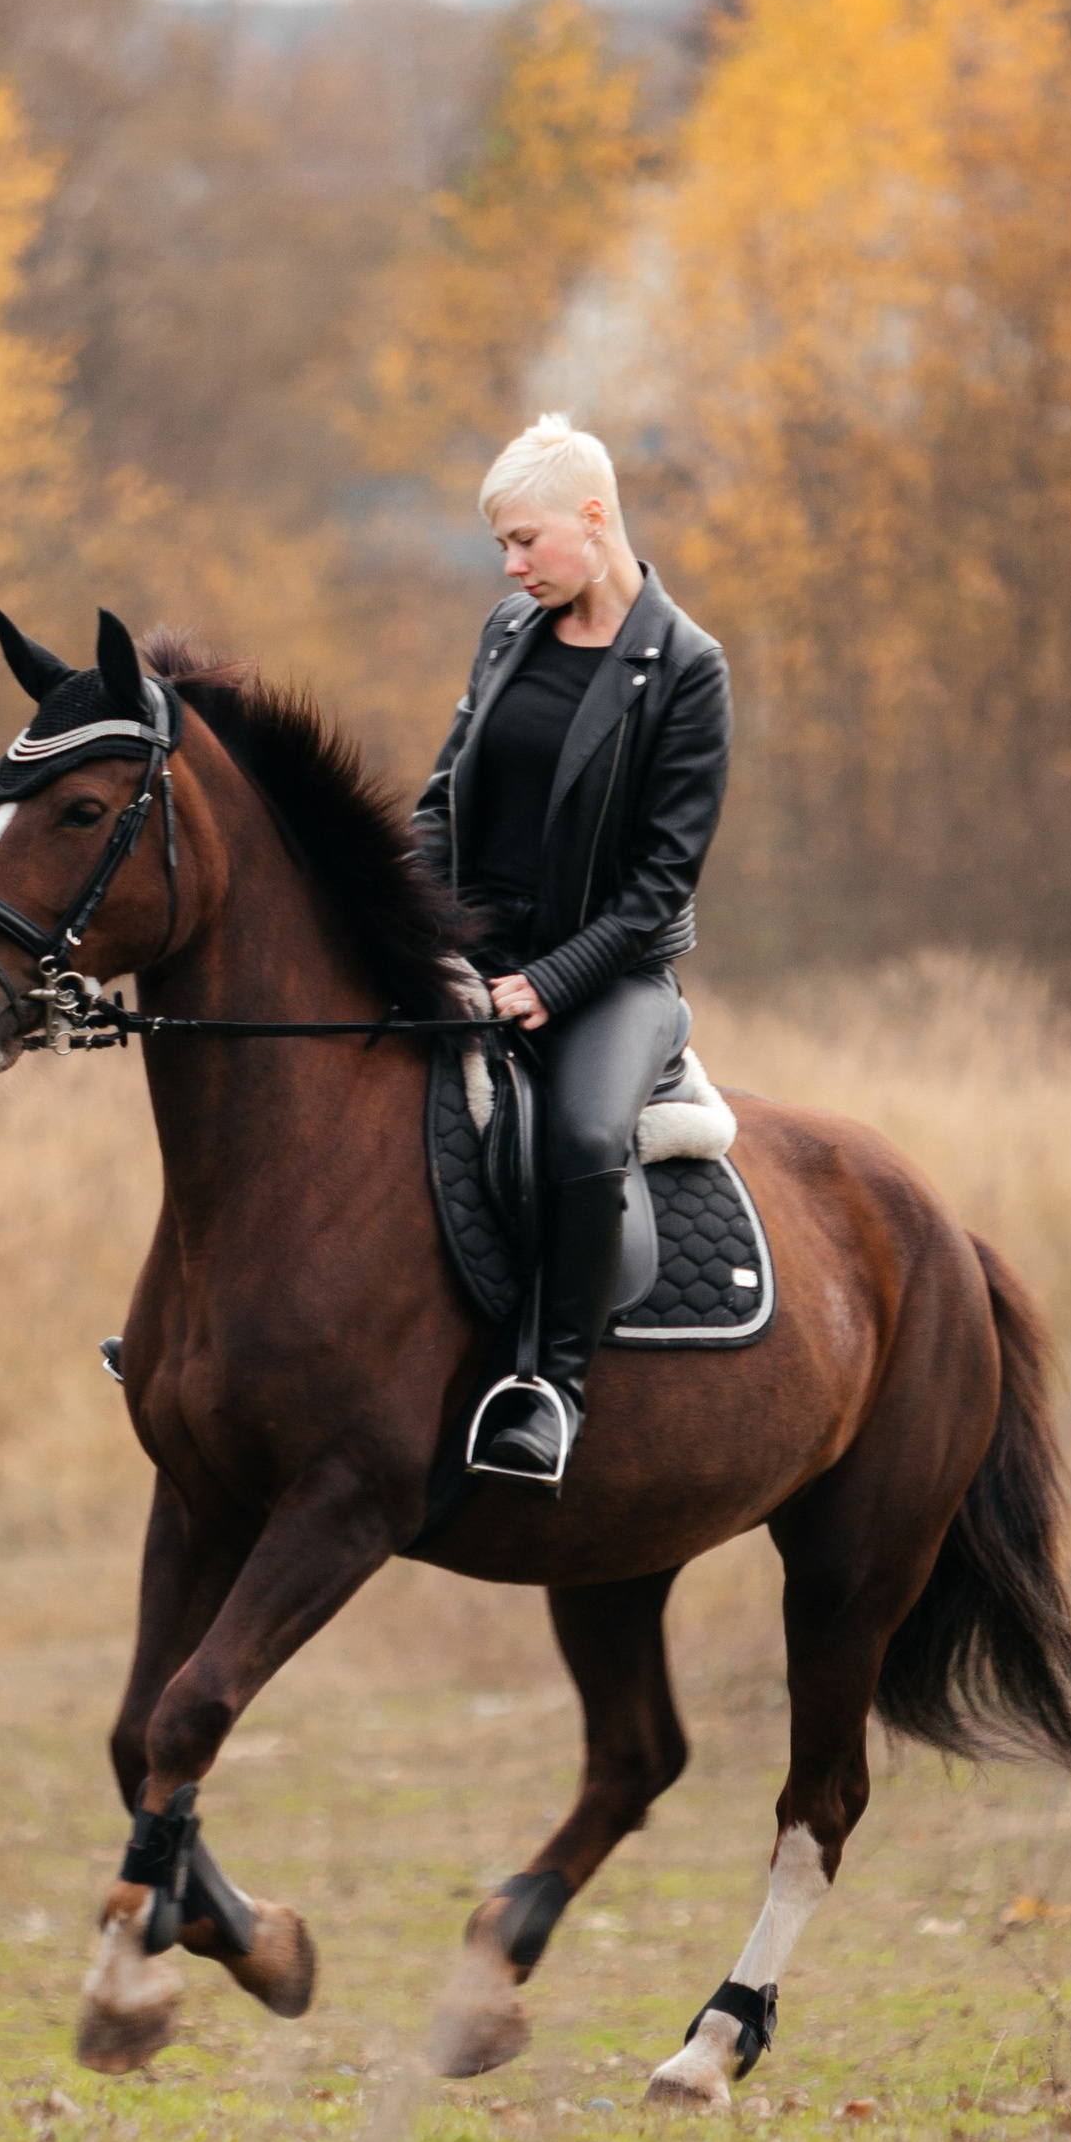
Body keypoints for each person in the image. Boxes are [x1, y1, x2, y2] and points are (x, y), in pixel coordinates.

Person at [411, 413, 733, 1485]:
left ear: (593, 523)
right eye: (502, 545)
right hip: (473, 944)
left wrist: (550, 983)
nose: (508, 565)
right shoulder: (510, 628)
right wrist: (401, 915)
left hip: (610, 976)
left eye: (523, 541)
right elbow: (443, 796)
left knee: (587, 1134)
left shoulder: (689, 669)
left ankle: (551, 1389)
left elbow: (659, 885)